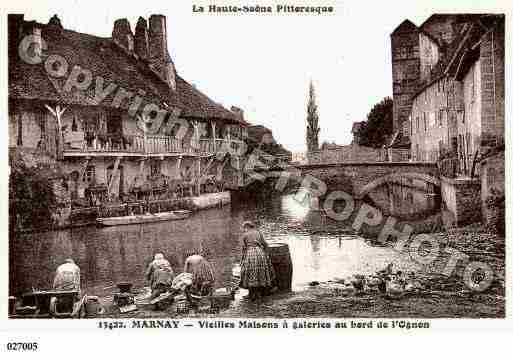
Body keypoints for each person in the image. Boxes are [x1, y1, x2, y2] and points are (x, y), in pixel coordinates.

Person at [239, 221, 276, 301]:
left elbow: (243, 248)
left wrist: (242, 259)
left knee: (248, 272)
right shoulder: (258, 233)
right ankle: (261, 291)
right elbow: (265, 244)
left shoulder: (245, 235)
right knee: (261, 271)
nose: (243, 229)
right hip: (260, 253)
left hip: (250, 254)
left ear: (247, 227)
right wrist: (266, 254)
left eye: (244, 228)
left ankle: (251, 294)